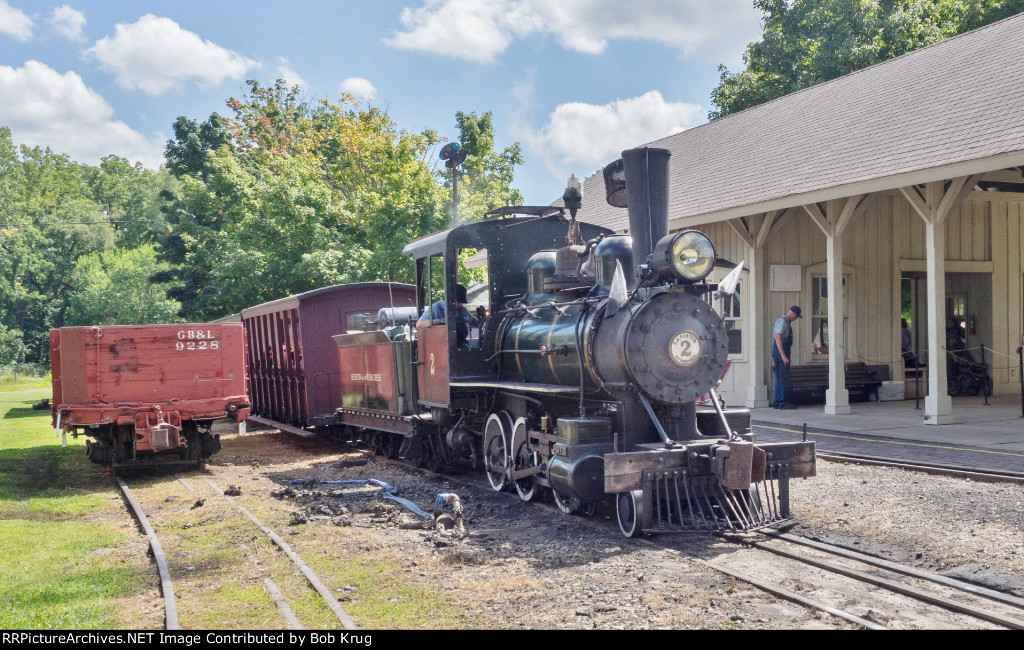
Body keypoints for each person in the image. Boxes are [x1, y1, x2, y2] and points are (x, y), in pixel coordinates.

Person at [417, 283, 479, 347]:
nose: (460, 304)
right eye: (458, 301)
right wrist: (442, 321)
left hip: (460, 345)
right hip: (439, 347)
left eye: (461, 302)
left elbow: (475, 323)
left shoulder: (463, 310)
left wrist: (482, 319)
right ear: (450, 298)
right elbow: (419, 324)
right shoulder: (435, 308)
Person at [772, 306, 801, 409]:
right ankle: (781, 402)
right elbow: (778, 337)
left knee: (780, 376)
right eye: (796, 317)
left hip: (781, 352)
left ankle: (777, 402)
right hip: (781, 352)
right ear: (793, 314)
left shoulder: (785, 322)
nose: (795, 319)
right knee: (782, 377)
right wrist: (783, 355)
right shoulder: (782, 322)